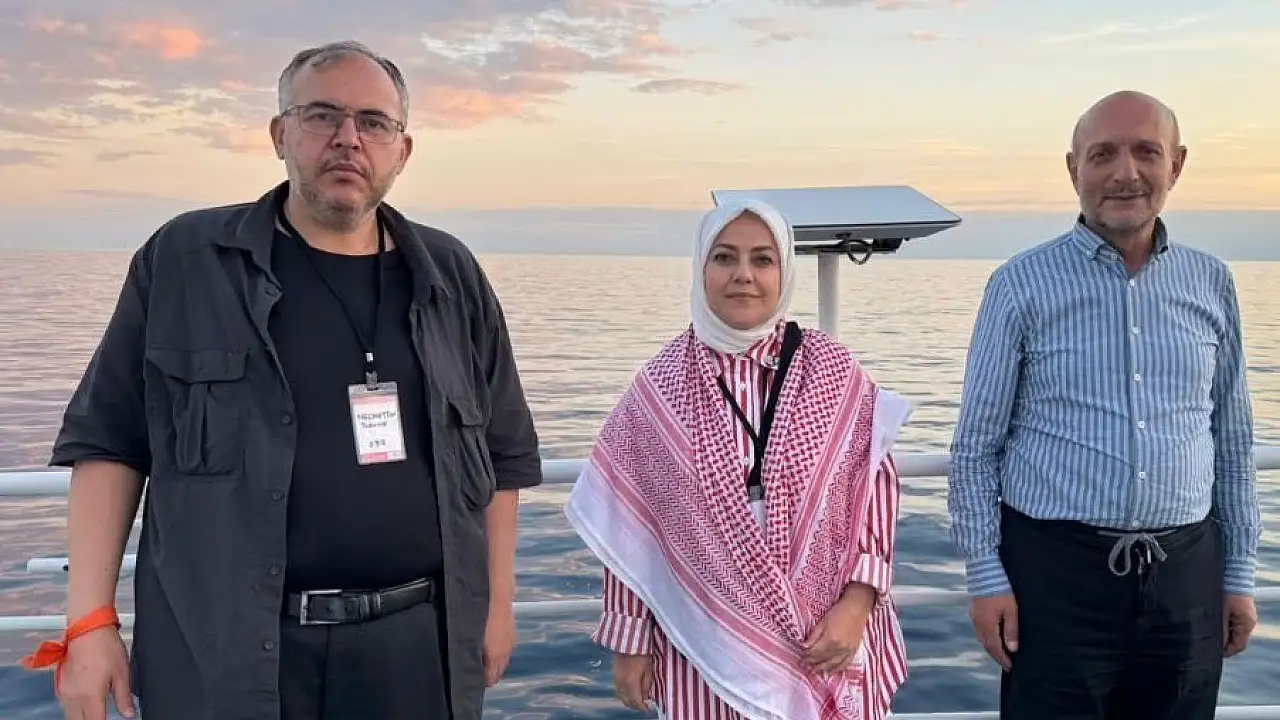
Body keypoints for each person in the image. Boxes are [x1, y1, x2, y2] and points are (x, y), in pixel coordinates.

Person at [20, 40, 542, 720]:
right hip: (223, 652)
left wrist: (497, 607)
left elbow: (501, 459)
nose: (348, 138)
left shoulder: (451, 275)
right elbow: (109, 443)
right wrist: (90, 622)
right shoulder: (186, 260)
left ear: (403, 150)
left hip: (417, 652)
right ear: (279, 134)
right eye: (322, 115)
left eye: (373, 122)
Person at [948, 89, 1261, 719]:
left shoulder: (1211, 282)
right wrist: (986, 575)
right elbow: (976, 448)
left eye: (1146, 152)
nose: (1125, 173)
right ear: (1074, 169)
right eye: (1103, 154)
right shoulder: (1020, 285)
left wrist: (1239, 574)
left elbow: (1231, 440)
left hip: (1187, 580)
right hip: (1054, 579)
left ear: (1176, 165)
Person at [564, 199, 913, 719]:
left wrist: (859, 603)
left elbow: (875, 489)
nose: (743, 275)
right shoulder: (660, 386)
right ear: (701, 267)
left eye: (762, 259)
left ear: (784, 270)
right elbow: (629, 523)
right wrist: (631, 639)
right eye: (725, 257)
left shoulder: (832, 369)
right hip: (702, 647)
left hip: (823, 634)